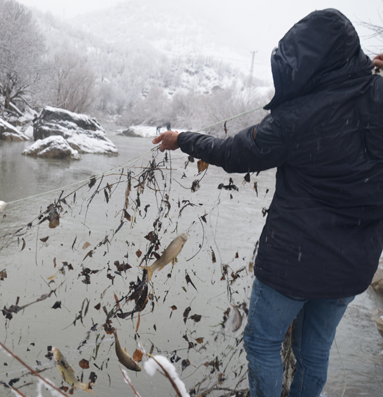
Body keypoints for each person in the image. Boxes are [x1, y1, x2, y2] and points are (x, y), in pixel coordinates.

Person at [153, 9, 383, 397]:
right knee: (314, 352)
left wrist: (183, 139)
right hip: (352, 267)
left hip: (292, 265)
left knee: (262, 343)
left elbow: (233, 153)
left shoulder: (296, 119)